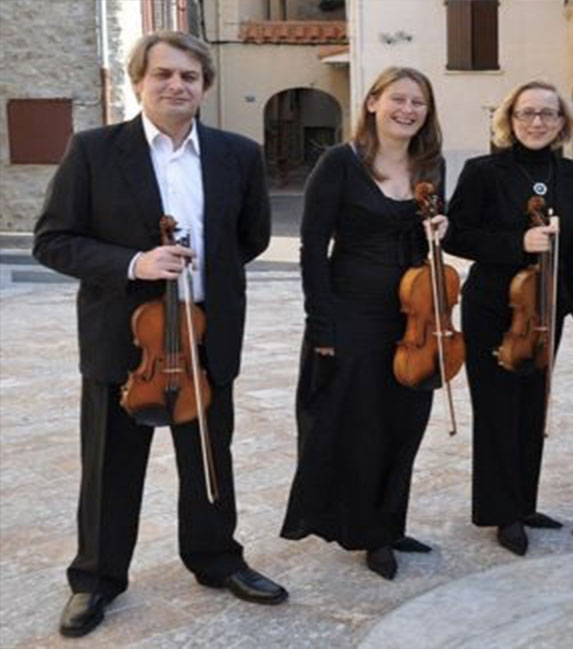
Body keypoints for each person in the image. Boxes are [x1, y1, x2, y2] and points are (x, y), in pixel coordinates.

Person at [33, 31, 286, 638]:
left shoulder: (237, 154)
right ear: (138, 82)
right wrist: (134, 264)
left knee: (208, 457)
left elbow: (249, 238)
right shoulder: (94, 150)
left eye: (189, 77)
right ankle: (96, 579)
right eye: (163, 75)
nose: (177, 85)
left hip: (205, 332)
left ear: (205, 87)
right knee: (110, 465)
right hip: (126, 338)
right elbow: (53, 241)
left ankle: (216, 558)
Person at [280, 67, 448, 581]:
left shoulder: (431, 164)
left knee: (405, 422)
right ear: (373, 102)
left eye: (418, 102)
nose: (407, 110)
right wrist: (321, 324)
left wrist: (441, 226)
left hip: (414, 317)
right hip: (353, 313)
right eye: (398, 99)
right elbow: (313, 248)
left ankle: (391, 522)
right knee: (361, 426)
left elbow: (428, 238)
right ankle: (367, 532)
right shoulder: (340, 162)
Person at [443, 81, 573, 556]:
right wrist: (518, 243)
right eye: (527, 113)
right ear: (509, 120)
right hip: (494, 308)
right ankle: (501, 512)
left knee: (534, 406)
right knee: (497, 409)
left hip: (546, 308)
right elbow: (457, 236)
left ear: (562, 123)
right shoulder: (483, 171)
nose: (537, 122)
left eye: (548, 114)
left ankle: (524, 502)